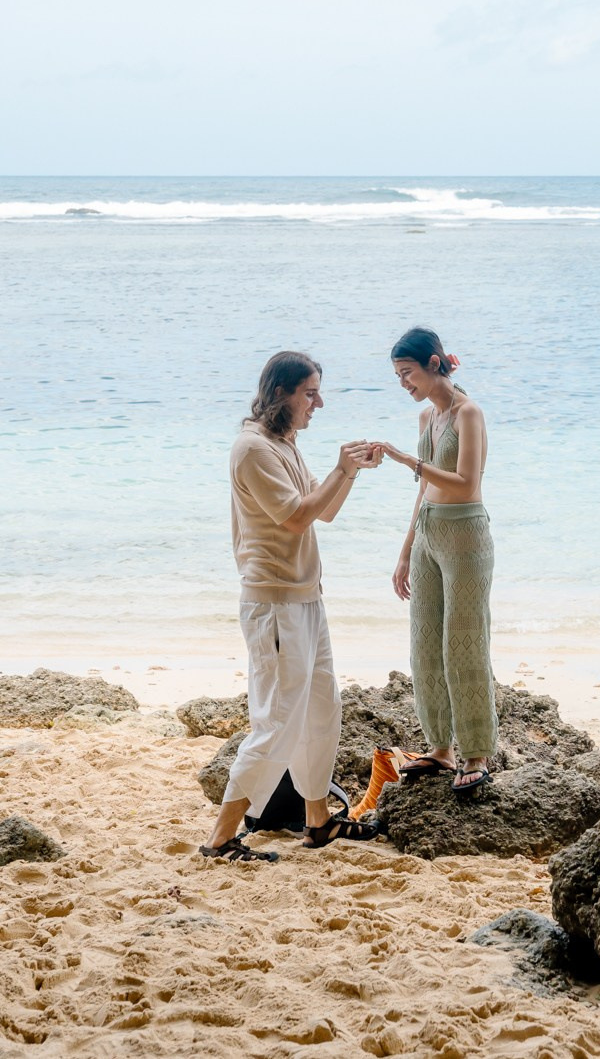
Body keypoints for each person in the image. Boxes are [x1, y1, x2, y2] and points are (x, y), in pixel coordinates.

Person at [202, 350, 382, 861]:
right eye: (310, 393)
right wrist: (339, 466)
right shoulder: (252, 449)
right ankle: (220, 836)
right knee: (277, 721)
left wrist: (349, 473)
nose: (318, 403)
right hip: (275, 603)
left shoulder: (284, 443)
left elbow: (322, 513)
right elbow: (296, 518)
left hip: (305, 598)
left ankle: (318, 820)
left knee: (323, 710)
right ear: (281, 393)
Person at [371, 328, 498, 796]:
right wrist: (405, 551)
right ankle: (440, 748)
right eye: (398, 376)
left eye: (407, 374)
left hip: (465, 534)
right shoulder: (428, 416)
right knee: (424, 643)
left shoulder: (469, 413)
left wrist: (408, 461)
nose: (404, 383)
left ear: (433, 363)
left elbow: (466, 483)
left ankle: (477, 753)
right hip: (428, 532)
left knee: (463, 643)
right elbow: (424, 492)